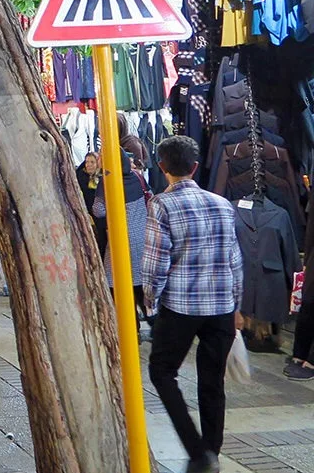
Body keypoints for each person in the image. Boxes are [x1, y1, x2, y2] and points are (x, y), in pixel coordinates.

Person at [143, 135, 242, 473]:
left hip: (181, 305)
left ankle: (198, 451)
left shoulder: (161, 204)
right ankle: (212, 451)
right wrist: (237, 304)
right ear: (196, 167)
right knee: (212, 380)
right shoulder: (221, 203)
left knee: (161, 371)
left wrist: (149, 303)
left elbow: (156, 261)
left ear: (162, 168)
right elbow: (234, 259)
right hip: (221, 307)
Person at [92, 149, 149, 326]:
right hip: (142, 237)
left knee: (119, 285)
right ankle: (152, 320)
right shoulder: (137, 177)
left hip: (120, 239)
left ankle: (131, 328)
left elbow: (99, 210)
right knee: (140, 284)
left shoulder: (108, 181)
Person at [76, 152, 106, 257]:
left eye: (92, 162)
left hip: (101, 215)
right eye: (87, 162)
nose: (88, 165)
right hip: (87, 214)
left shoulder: (103, 178)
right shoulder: (81, 177)